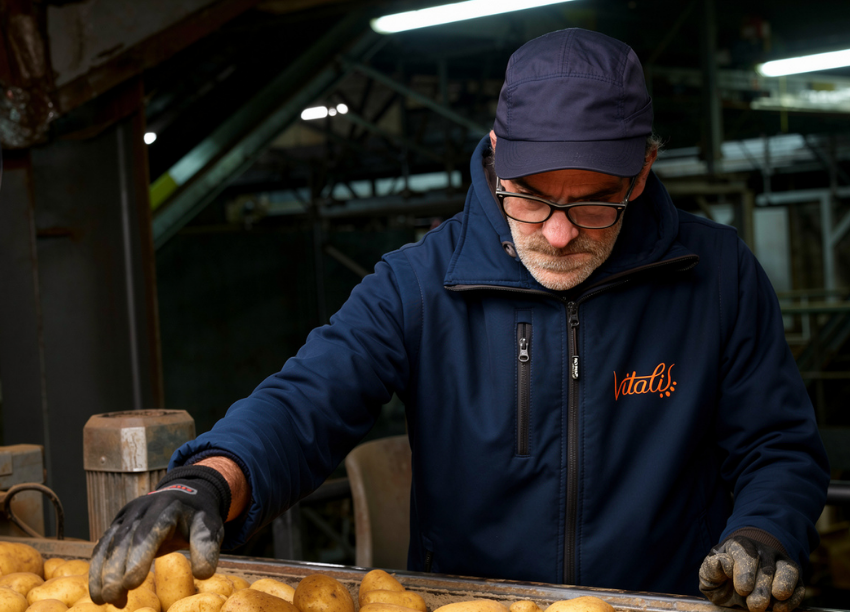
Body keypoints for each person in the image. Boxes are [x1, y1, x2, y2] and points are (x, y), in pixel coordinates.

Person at [89, 28, 829, 612]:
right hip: (475, 607)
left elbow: (778, 446)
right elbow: (306, 402)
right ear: (497, 158)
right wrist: (208, 482)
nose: (561, 233)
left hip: (660, 606)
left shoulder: (718, 276)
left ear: (642, 171)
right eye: (532, 197)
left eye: (595, 201)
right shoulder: (419, 283)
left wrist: (763, 533)